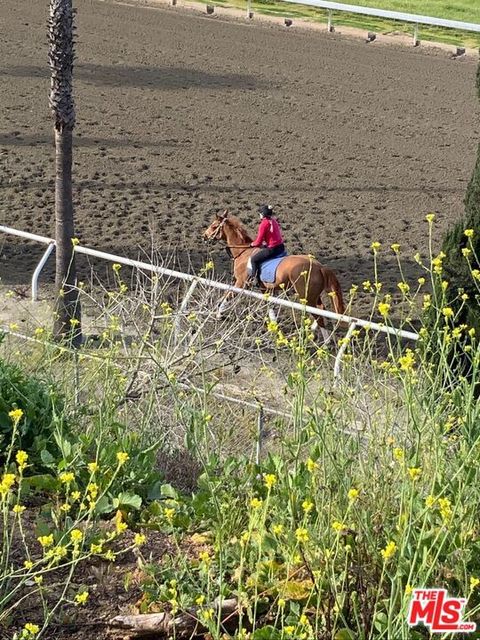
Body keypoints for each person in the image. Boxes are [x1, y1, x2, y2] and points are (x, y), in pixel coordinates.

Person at [249, 205, 285, 287]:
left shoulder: (264, 224)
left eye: (260, 213)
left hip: (273, 249)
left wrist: (252, 244)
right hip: (281, 247)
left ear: (263, 214)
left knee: (254, 260)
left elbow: (258, 242)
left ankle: (254, 279)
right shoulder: (274, 221)